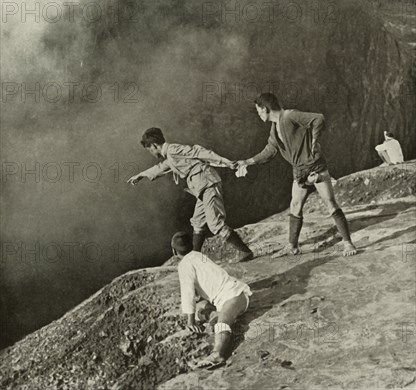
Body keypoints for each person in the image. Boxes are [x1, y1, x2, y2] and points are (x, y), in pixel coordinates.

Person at [236, 93, 357, 257]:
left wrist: (314, 141)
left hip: (315, 167)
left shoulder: (289, 115)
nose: (258, 115)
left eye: (258, 111)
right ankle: (292, 246)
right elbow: (270, 151)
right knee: (295, 205)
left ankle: (348, 243)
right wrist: (247, 162)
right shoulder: (274, 128)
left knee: (330, 202)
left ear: (265, 109)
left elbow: (318, 119)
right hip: (299, 171)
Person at [128, 128, 253, 261]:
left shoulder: (173, 150)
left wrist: (224, 161)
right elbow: (162, 167)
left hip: (207, 184)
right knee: (198, 222)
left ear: (153, 145)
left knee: (215, 223)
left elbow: (199, 151)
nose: (151, 153)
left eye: (150, 149)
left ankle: (244, 251)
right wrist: (141, 175)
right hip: (201, 188)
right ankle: (195, 259)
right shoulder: (170, 155)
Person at [171, 231, 252, 369]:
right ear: (191, 245)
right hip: (230, 294)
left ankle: (217, 354)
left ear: (174, 251)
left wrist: (190, 321)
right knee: (202, 308)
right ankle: (215, 317)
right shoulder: (198, 255)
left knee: (222, 322)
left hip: (233, 296)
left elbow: (187, 292)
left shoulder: (184, 265)